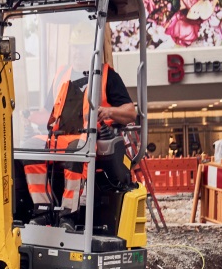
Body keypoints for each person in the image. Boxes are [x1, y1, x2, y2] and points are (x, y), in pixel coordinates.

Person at [24, 32, 137, 221]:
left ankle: (69, 213)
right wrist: (28, 117)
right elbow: (47, 114)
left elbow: (131, 112)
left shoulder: (107, 75)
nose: (77, 52)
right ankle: (42, 209)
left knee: (75, 149)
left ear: (93, 50)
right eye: (75, 47)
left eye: (82, 48)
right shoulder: (61, 75)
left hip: (88, 139)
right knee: (30, 148)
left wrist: (108, 111)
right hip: (58, 138)